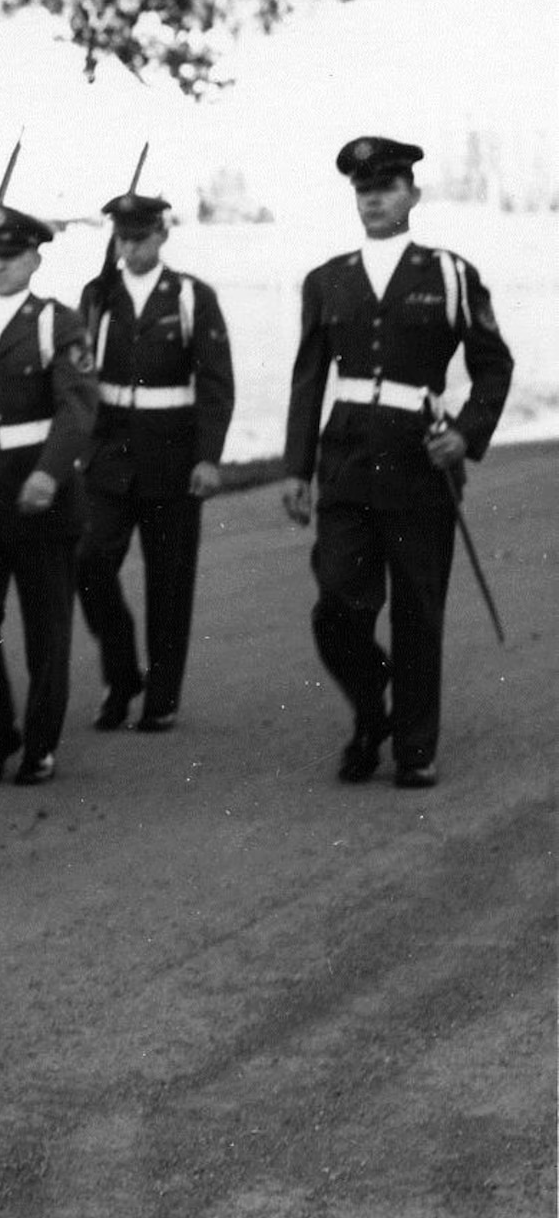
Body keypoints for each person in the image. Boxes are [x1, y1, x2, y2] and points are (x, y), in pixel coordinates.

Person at [281, 136, 513, 788]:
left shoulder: (448, 274)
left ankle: (415, 749)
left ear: (413, 194)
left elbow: (493, 365)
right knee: (337, 607)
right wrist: (296, 471)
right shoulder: (327, 280)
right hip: (347, 460)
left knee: (417, 609)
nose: (375, 198)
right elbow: (306, 382)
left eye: (387, 187)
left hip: (420, 462)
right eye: (363, 188)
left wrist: (465, 435)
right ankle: (370, 708)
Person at [0, 204, 98, 788]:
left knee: (45, 630)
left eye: (10, 256)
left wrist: (50, 473)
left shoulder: (58, 321)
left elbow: (79, 406)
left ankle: (40, 745)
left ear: (34, 258)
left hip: (40, 485)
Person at [74, 193, 235, 733]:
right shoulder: (99, 297)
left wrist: (209, 458)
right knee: (89, 560)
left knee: (169, 582)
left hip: (172, 458)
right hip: (109, 456)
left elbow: (215, 385)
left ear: (162, 236)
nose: (131, 248)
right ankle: (122, 676)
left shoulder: (192, 297)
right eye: (122, 238)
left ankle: (161, 697)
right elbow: (79, 379)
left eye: (140, 238)